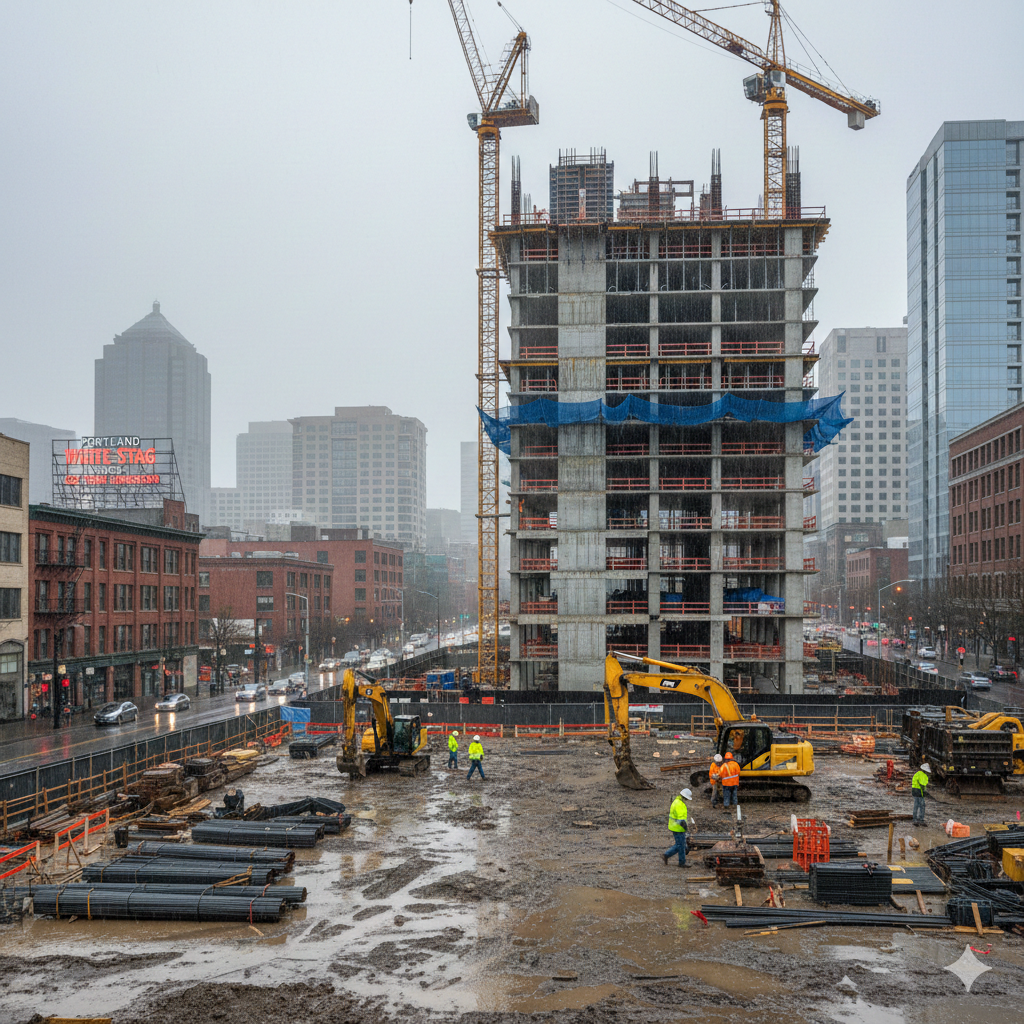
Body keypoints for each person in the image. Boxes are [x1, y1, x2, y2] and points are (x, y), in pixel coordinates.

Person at [662, 788, 693, 867]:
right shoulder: (679, 804)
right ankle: (680, 862)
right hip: (678, 827)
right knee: (680, 845)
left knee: (679, 844)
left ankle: (667, 855)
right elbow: (680, 819)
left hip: (675, 826)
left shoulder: (677, 802)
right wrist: (685, 827)